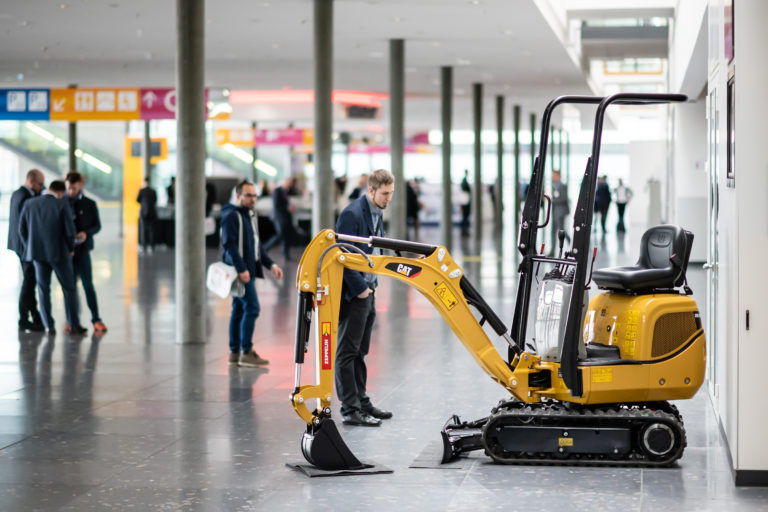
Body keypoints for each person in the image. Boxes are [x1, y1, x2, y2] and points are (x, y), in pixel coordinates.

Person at [334, 169, 395, 427]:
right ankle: (350, 408)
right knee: (347, 352)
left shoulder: (376, 212)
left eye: (391, 193)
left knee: (361, 351)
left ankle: (361, 400)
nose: (388, 198)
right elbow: (342, 254)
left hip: (369, 290)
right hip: (355, 293)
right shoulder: (352, 214)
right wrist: (360, 288)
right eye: (385, 193)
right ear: (371, 190)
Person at [221, 181, 283, 367]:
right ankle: (246, 351)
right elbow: (229, 245)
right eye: (248, 195)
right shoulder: (231, 216)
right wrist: (242, 269)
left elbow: (256, 246)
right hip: (241, 272)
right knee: (252, 308)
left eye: (255, 195)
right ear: (238, 196)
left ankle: (235, 352)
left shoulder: (249, 215)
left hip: (247, 270)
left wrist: (270, 264)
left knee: (239, 309)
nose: (253, 199)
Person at [18, 180, 85, 335]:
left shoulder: (30, 204)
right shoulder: (62, 204)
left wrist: (30, 246)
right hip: (59, 254)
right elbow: (70, 232)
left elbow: (21, 229)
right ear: (61, 193)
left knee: (43, 290)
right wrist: (70, 249)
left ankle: (48, 325)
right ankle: (73, 324)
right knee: (69, 288)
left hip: (37, 255)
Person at [65, 172, 107, 333]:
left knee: (88, 285)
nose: (71, 192)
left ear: (80, 185)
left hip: (83, 251)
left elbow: (97, 226)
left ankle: (96, 319)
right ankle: (71, 320)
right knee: (70, 288)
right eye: (69, 188)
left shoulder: (89, 204)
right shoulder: (61, 203)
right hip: (67, 252)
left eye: (74, 188)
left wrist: (86, 234)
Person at [7, 169, 45, 331]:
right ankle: (23, 318)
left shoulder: (18, 194)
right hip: (25, 246)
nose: (42, 187)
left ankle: (34, 315)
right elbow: (25, 224)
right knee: (29, 282)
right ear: (30, 181)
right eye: (40, 184)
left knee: (30, 281)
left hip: (20, 244)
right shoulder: (25, 197)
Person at [263, 176, 298, 261]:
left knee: (284, 234)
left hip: (283, 216)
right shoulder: (277, 191)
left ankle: (285, 253)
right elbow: (277, 206)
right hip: (278, 217)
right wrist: (287, 209)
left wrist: (289, 208)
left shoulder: (285, 192)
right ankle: (264, 249)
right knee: (280, 234)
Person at [550, 170, 570, 254]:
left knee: (561, 230)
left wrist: (553, 200)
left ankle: (571, 243)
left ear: (558, 175)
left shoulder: (562, 185)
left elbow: (564, 198)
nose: (552, 177)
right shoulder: (555, 185)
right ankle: (552, 250)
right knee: (555, 230)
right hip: (556, 212)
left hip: (560, 212)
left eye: (553, 175)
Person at [136, 178, 158, 254]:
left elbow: (137, 200)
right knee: (152, 230)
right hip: (152, 212)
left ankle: (143, 246)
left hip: (143, 212)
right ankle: (151, 246)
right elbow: (155, 200)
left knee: (143, 230)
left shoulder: (141, 191)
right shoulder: (153, 191)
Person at [460, 169, 471, 237]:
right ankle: (464, 231)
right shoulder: (464, 181)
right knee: (465, 216)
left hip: (465, 201)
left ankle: (465, 231)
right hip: (465, 201)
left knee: (465, 216)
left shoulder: (464, 181)